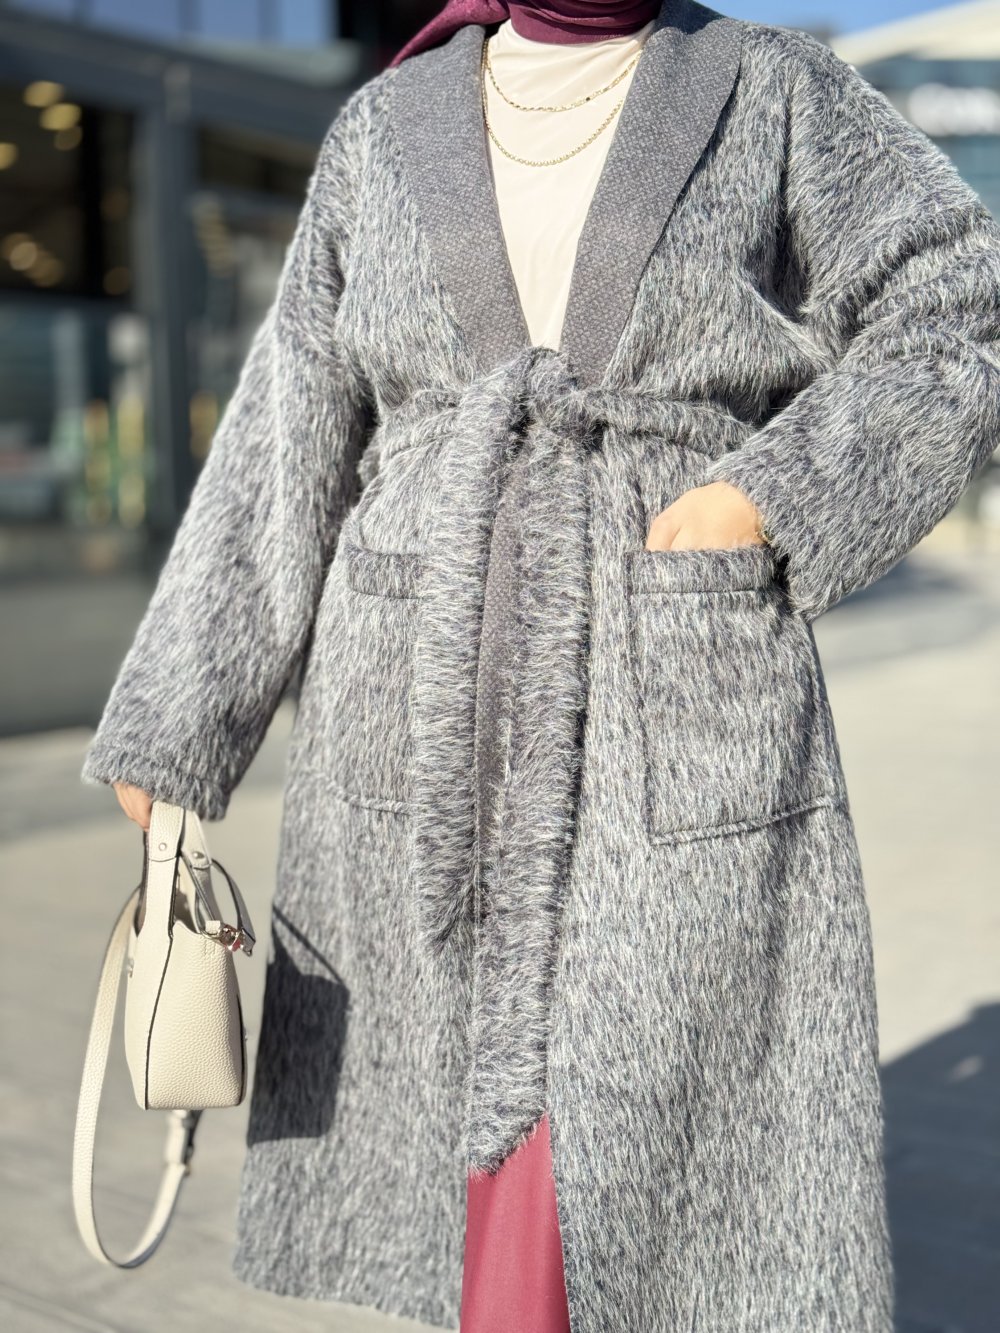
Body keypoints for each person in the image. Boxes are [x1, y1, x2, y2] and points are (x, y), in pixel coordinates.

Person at [84, 1, 1000, 1329]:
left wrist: (770, 499)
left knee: (644, 1147)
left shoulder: (776, 88)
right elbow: (293, 419)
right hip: (419, 680)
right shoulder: (383, 128)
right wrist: (184, 717)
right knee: (456, 1148)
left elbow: (961, 300)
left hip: (671, 665)